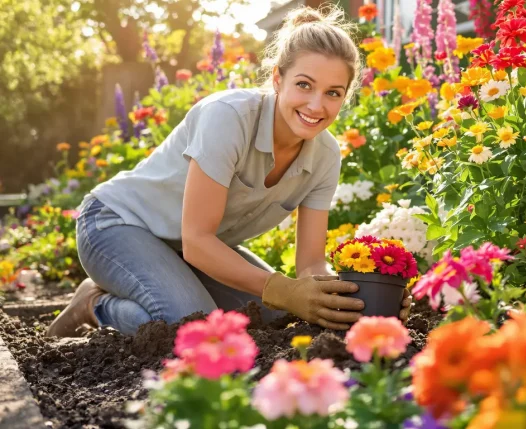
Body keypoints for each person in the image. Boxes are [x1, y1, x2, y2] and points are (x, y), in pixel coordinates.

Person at [46, 6, 412, 338]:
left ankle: (158, 283)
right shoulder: (229, 118)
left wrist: (361, 302)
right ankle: (95, 305)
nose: (317, 105)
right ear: (277, 78)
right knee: (195, 328)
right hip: (116, 225)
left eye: (333, 93)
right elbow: (198, 241)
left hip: (184, 249)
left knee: (271, 315)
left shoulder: (326, 156)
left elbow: (311, 265)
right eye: (304, 85)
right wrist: (283, 290)